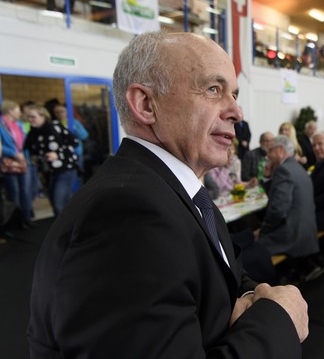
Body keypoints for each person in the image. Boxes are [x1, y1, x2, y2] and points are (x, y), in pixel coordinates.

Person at [27, 31, 308, 358]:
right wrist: (278, 320)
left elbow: (221, 271)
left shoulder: (178, 190)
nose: (236, 111)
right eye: (213, 89)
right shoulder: (128, 213)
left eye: (234, 94)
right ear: (146, 105)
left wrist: (248, 299)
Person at [256, 135, 319, 259]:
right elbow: (276, 198)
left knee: (249, 249)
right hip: (306, 231)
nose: (267, 156)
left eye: (270, 151)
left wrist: (263, 231)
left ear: (280, 150)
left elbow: (277, 210)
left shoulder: (283, 170)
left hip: (291, 236)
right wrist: (268, 177)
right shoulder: (298, 167)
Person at [23, 104, 78, 216]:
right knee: (55, 204)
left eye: (33, 117)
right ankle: (65, 229)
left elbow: (74, 143)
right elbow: (29, 150)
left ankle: (66, 231)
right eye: (28, 117)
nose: (30, 120)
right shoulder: (31, 134)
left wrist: (57, 154)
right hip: (47, 173)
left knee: (59, 204)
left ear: (43, 116)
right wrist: (33, 159)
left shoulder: (55, 127)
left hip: (65, 170)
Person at [1, 100, 33, 226]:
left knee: (26, 191)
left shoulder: (19, 124)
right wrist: (13, 153)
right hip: (9, 162)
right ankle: (16, 221)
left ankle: (26, 218)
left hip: (23, 161)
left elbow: (25, 143)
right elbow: (0, 147)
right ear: (10, 111)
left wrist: (26, 158)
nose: (20, 112)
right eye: (18, 110)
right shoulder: (1, 125)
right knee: (14, 193)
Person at [53, 104, 89, 178]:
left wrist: (74, 128)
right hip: (61, 155)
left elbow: (84, 136)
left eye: (62, 111)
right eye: (57, 112)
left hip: (76, 153)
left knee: (78, 177)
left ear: (67, 111)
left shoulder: (74, 122)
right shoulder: (54, 124)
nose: (60, 114)